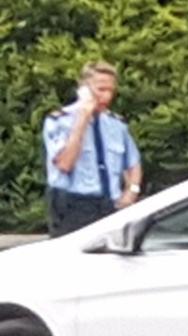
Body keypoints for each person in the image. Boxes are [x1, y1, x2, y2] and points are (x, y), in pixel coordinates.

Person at [42, 61, 142, 237]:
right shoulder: (59, 121)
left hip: (110, 204)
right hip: (73, 205)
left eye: (111, 90)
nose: (107, 96)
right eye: (101, 89)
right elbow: (65, 163)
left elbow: (132, 163)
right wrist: (82, 119)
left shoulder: (116, 124)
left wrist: (131, 192)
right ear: (84, 89)